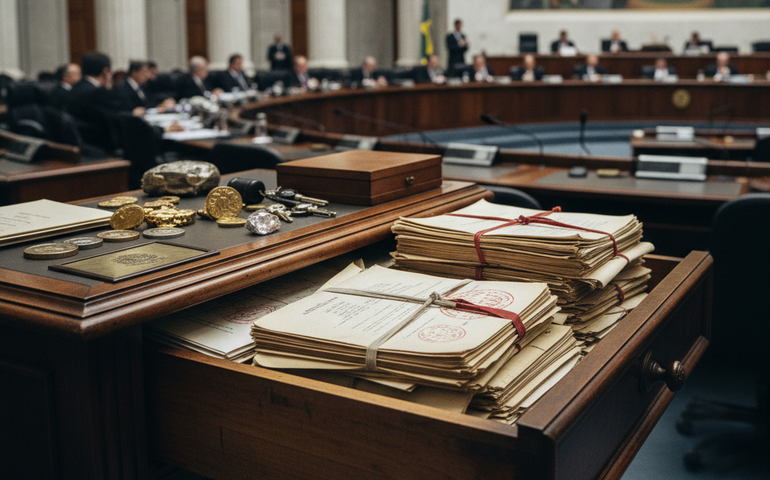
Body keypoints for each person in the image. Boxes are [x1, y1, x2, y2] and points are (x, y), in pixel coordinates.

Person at [67, 51, 121, 150]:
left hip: (79, 143)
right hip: (100, 146)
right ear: (105, 71)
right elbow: (114, 121)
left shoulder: (74, 88)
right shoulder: (98, 93)